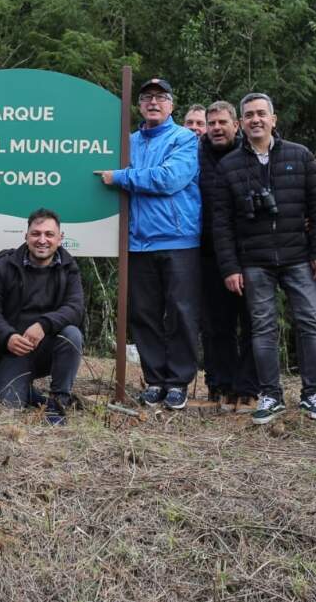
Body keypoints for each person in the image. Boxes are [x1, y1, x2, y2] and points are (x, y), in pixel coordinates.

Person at [212, 93, 316, 425]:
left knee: (309, 323)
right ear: (241, 123)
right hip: (254, 260)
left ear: (273, 119)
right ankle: (270, 394)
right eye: (249, 115)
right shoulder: (229, 165)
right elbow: (221, 223)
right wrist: (230, 267)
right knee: (262, 328)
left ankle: (312, 394)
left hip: (299, 256)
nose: (255, 120)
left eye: (261, 114)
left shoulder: (300, 155)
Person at [96, 78, 201, 410]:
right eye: (147, 98)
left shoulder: (184, 139)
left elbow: (170, 178)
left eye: (161, 97)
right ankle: (155, 380)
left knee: (181, 313)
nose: (153, 102)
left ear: (171, 105)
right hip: (138, 243)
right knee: (145, 315)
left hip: (178, 240)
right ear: (139, 105)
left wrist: (122, 177)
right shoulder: (128, 142)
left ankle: (179, 382)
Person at [0, 208, 85, 425]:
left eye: (49, 234)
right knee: (7, 407)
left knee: (71, 334)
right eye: (36, 233)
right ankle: (32, 395)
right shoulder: (4, 266)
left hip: (48, 348)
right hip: (11, 350)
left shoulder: (69, 267)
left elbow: (75, 308)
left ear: (60, 238)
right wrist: (8, 336)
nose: (42, 240)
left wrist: (44, 324)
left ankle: (58, 401)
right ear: (26, 236)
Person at [197, 101, 258, 409]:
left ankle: (248, 385)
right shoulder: (196, 153)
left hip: (249, 248)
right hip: (207, 249)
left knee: (251, 321)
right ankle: (220, 383)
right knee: (215, 323)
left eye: (223, 122)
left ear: (236, 125)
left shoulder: (251, 154)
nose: (217, 128)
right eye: (212, 123)